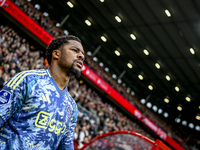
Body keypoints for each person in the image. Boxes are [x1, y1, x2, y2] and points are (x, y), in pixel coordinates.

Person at [0, 35, 85, 149]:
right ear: (56, 54)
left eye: (83, 54)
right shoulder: (28, 81)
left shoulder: (72, 107)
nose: (81, 56)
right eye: (75, 50)